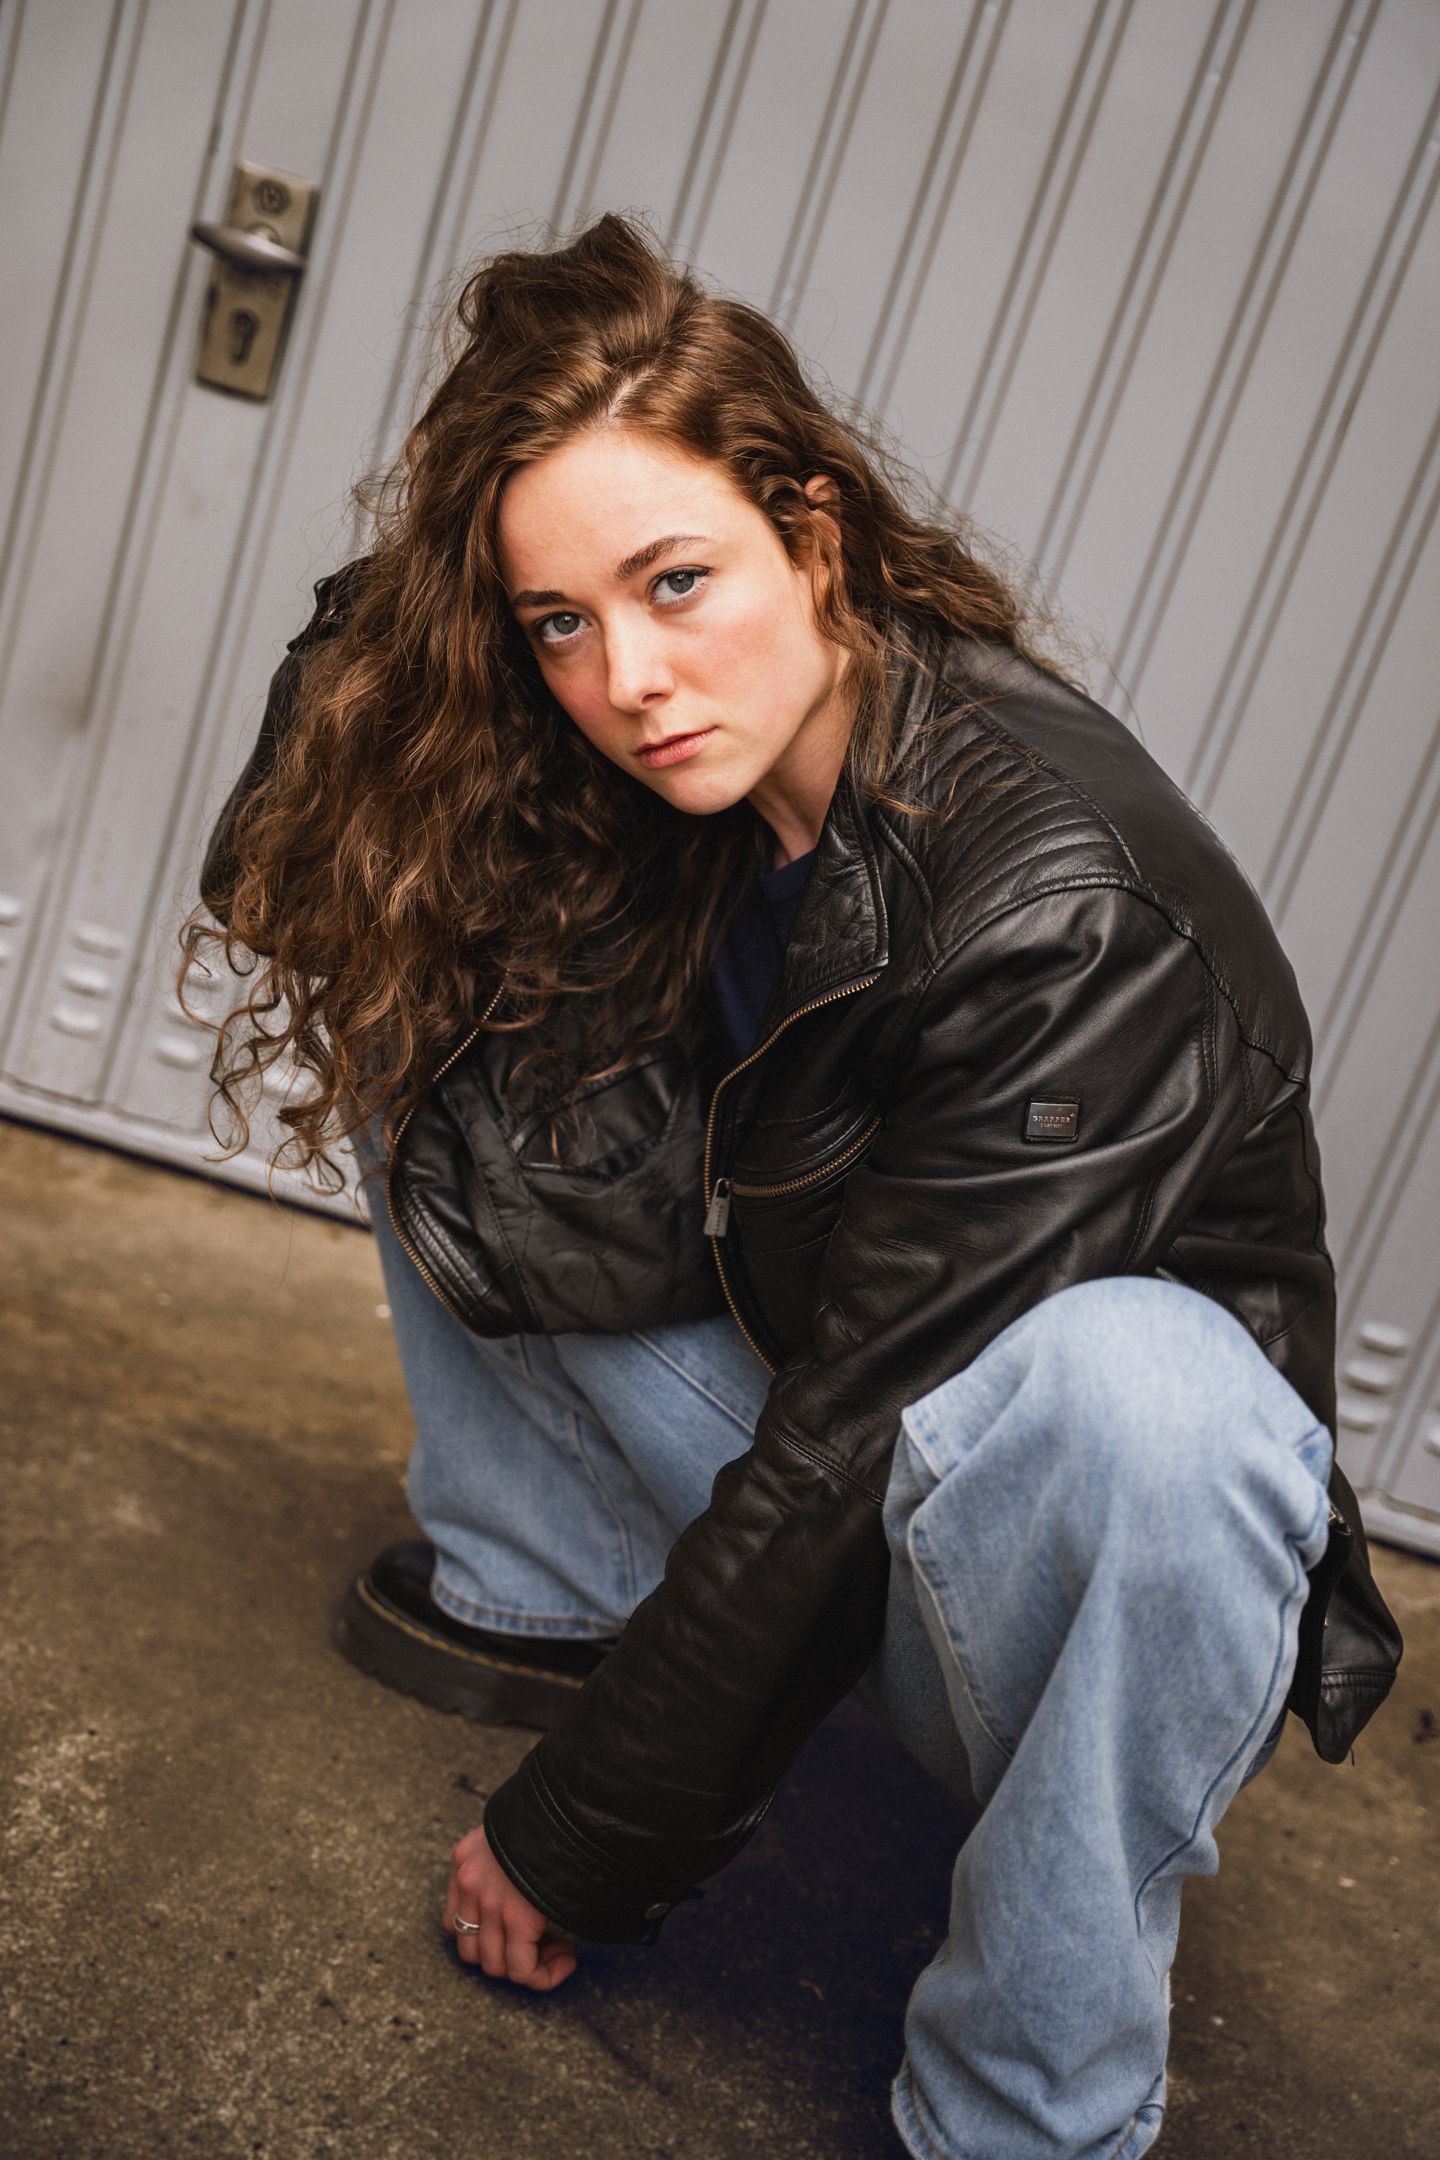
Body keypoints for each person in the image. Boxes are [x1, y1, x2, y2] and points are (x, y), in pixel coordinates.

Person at [188, 210, 1402, 2160]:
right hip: (848, 1459)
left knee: (1155, 1396)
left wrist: (580, 1835)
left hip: (1061, 1604)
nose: (630, 677)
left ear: (814, 535)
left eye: (676, 582)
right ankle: (556, 1587)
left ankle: (1026, 2106)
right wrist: (437, 622)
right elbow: (285, 869)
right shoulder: (698, 763)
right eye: (560, 622)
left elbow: (853, 1443)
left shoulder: (1066, 905)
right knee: (425, 945)